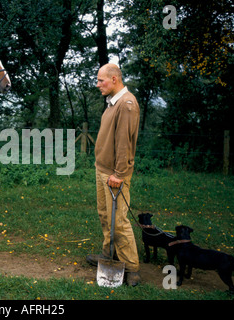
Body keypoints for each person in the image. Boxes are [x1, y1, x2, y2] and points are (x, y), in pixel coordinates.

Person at [86, 63, 141, 286]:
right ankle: (109, 254)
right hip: (103, 170)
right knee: (104, 215)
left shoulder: (126, 104)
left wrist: (118, 174)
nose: (98, 84)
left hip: (115, 174)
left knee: (118, 221)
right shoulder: (112, 102)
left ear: (114, 80)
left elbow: (124, 145)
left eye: (101, 80)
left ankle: (132, 267)